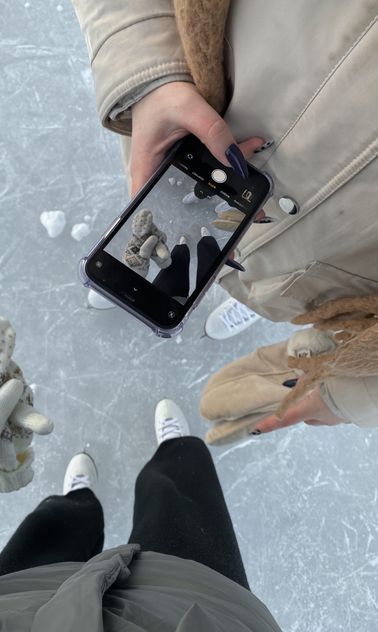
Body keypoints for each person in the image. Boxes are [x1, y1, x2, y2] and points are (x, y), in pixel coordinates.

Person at [71, 0, 378, 437]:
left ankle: (239, 286)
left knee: (246, 270)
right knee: (192, 241)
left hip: (323, 275)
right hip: (185, 132)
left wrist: (360, 389)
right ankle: (175, 274)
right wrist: (151, 76)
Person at [0, 316, 282, 631]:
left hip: (3, 607)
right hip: (191, 609)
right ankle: (176, 452)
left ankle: (78, 502)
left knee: (49, 530)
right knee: (183, 504)